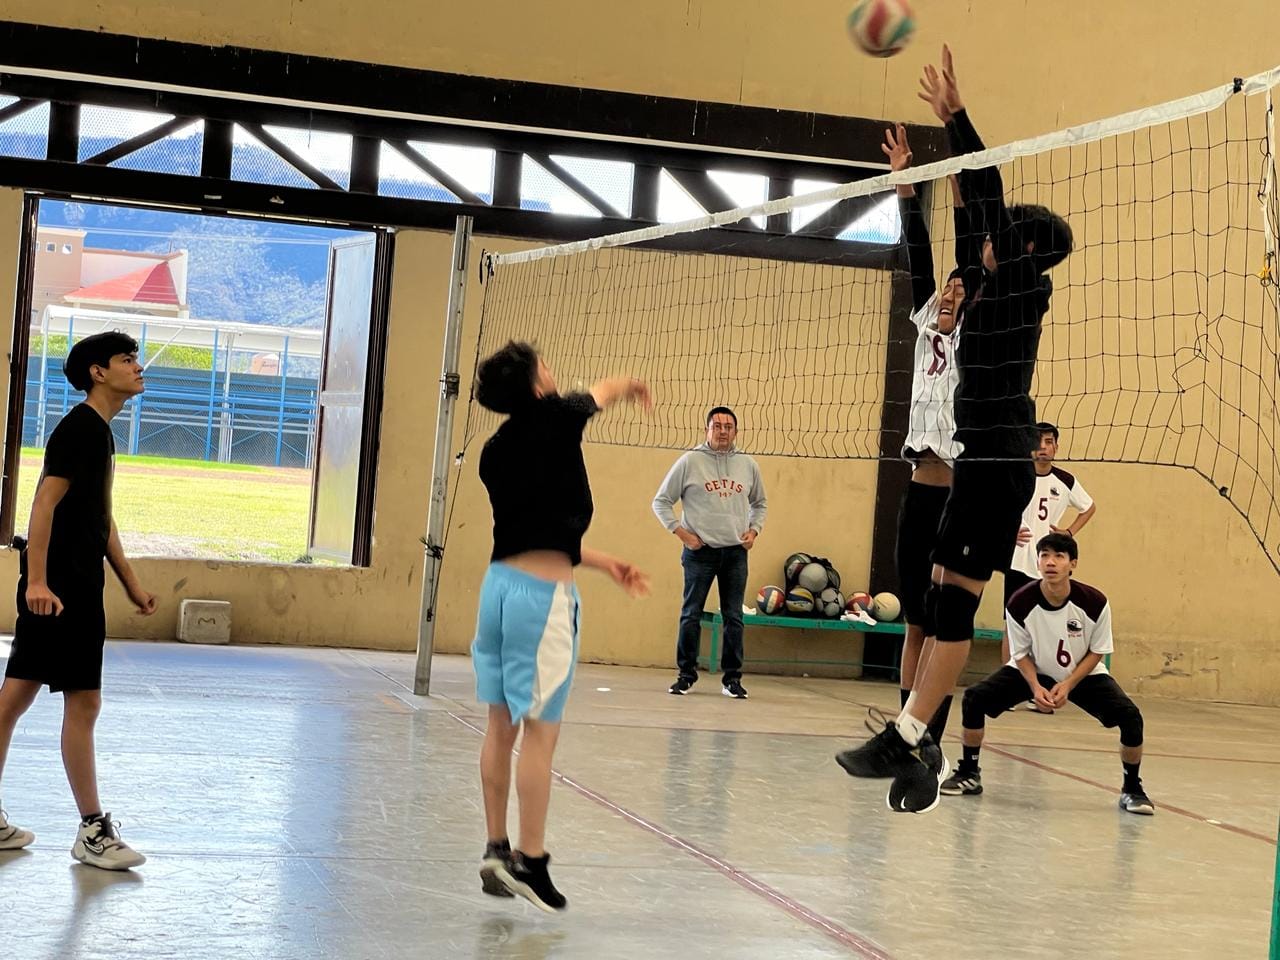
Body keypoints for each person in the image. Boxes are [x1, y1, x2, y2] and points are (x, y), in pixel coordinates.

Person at [836, 44, 1074, 814]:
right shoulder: (986, 287)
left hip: (995, 462)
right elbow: (967, 220)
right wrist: (917, 182)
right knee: (935, 605)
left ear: (1022, 248)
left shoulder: (1019, 286)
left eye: (1000, 235)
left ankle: (910, 738)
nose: (983, 242)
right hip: (977, 463)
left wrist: (957, 118)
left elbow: (986, 192)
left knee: (951, 609)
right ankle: (917, 746)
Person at [470, 340, 652, 912]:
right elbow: (604, 391)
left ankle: (496, 848)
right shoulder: (556, 416)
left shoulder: (493, 452)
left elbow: (537, 533)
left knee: (500, 725)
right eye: (544, 366)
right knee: (540, 735)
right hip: (542, 603)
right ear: (535, 385)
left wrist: (606, 563)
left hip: (498, 591)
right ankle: (531, 860)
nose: (553, 371)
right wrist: (631, 385)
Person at [0, 331, 157, 868]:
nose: (138, 367)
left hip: (74, 586)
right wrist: (37, 583)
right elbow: (43, 504)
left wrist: (130, 582)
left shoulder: (98, 433)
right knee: (83, 702)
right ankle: (93, 831)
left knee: (13, 700)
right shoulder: (80, 430)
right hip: (60, 592)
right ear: (98, 371)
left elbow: (100, 517)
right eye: (126, 359)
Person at [941, 533, 1154, 816]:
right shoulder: (1020, 602)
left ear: (1072, 564)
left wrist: (1068, 684)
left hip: (1081, 674)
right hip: (1033, 670)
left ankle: (1132, 789)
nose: (1050, 562)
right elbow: (1020, 653)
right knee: (974, 699)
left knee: (1130, 717)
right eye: (1044, 556)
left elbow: (1097, 651)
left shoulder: (1094, 602)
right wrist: (1034, 686)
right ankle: (969, 773)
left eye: (1058, 556)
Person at [883, 121, 975, 746]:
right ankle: (906, 733)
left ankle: (931, 731)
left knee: (944, 624)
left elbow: (967, 257)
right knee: (915, 622)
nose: (948, 293)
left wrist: (962, 184)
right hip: (919, 495)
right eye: (946, 289)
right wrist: (904, 183)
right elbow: (920, 251)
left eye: (959, 291)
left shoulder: (977, 335)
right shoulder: (924, 323)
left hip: (958, 498)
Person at [653, 406, 767, 699]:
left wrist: (754, 531)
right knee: (691, 614)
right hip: (699, 552)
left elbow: (760, 503)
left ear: (736, 432)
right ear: (707, 430)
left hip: (735, 554)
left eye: (728, 427)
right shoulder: (690, 461)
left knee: (733, 617)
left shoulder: (747, 464)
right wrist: (682, 534)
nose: (722, 431)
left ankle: (732, 680)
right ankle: (686, 676)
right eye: (717, 426)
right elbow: (661, 501)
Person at [1003, 421, 1097, 708]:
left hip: (1048, 565)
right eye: (1038, 442)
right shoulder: (1016, 475)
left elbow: (1089, 507)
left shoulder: (1065, 480)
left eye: (1048, 442)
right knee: (1011, 624)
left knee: (1044, 628)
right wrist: (1006, 532)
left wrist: (1069, 532)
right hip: (1019, 561)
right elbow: (994, 506)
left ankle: (1041, 692)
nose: (1043, 448)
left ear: (1056, 446)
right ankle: (1007, 689)